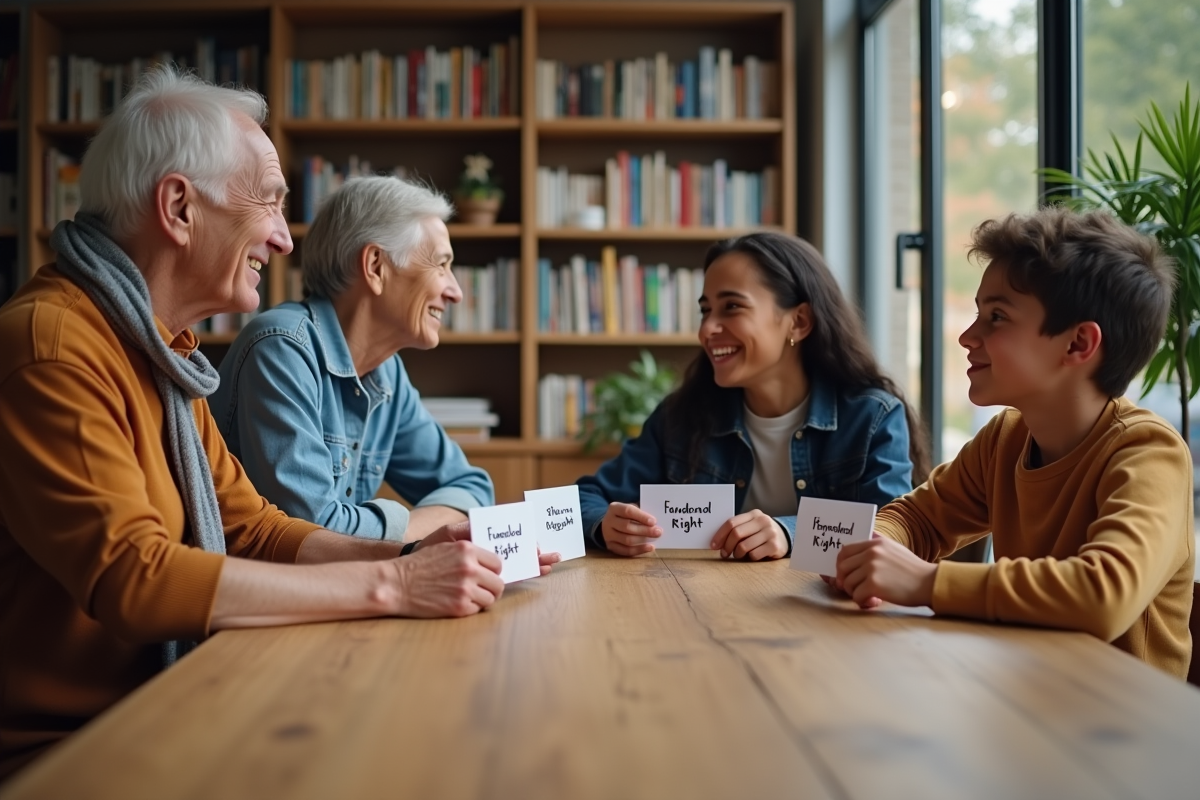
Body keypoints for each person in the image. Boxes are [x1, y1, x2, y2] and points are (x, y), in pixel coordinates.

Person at [0, 69, 546, 780]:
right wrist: (396, 586)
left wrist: (414, 555)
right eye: (269, 202)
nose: (286, 240)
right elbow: (134, 577)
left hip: (169, 700)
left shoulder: (165, 355)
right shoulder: (53, 346)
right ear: (179, 207)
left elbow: (253, 528)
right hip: (74, 748)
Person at [832, 207, 1195, 679]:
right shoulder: (1007, 438)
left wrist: (925, 581)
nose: (967, 336)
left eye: (996, 317)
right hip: (1025, 700)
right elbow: (917, 517)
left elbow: (1103, 595)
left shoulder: (1149, 453)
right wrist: (875, 548)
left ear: (1078, 344)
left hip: (1121, 733)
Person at [577, 232, 928, 560]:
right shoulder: (681, 418)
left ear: (799, 321)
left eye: (731, 307)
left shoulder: (873, 417)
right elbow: (582, 499)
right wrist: (604, 525)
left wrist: (789, 532)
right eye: (705, 310)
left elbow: (891, 532)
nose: (707, 329)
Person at [211, 176, 492, 543]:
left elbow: (472, 487)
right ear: (375, 266)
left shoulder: (386, 372)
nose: (454, 291)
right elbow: (314, 535)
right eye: (441, 265)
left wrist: (401, 532)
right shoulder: (281, 349)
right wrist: (422, 532)